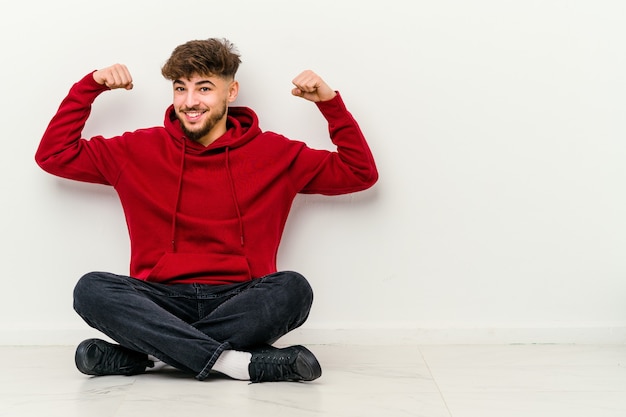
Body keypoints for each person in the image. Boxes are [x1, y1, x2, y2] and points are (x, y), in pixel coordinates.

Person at [35, 37, 378, 383]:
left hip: (240, 297)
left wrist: (329, 104)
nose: (190, 101)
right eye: (180, 88)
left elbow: (360, 173)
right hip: (159, 300)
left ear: (231, 92)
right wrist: (89, 86)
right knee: (91, 288)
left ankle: (151, 356)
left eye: (204, 88)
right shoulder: (136, 150)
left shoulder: (276, 154)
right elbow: (53, 155)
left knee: (293, 289)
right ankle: (237, 364)